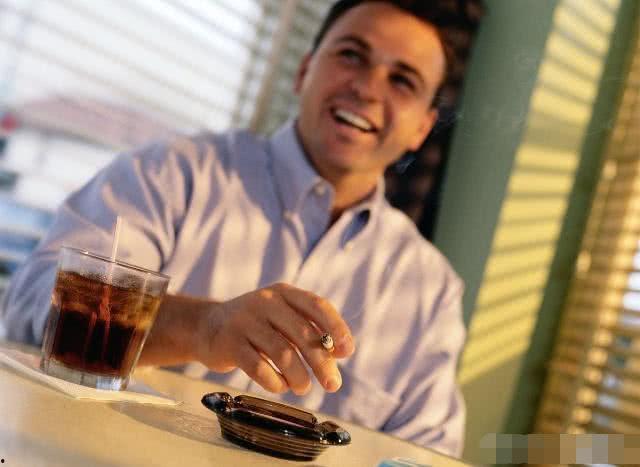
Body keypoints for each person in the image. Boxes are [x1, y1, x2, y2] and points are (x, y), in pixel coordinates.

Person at [1, 0, 480, 457]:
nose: (368, 89)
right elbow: (33, 309)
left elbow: (428, 455)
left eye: (402, 80)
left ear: (422, 128)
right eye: (352, 55)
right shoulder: (169, 175)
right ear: (303, 71)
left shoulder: (430, 290)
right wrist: (202, 327)